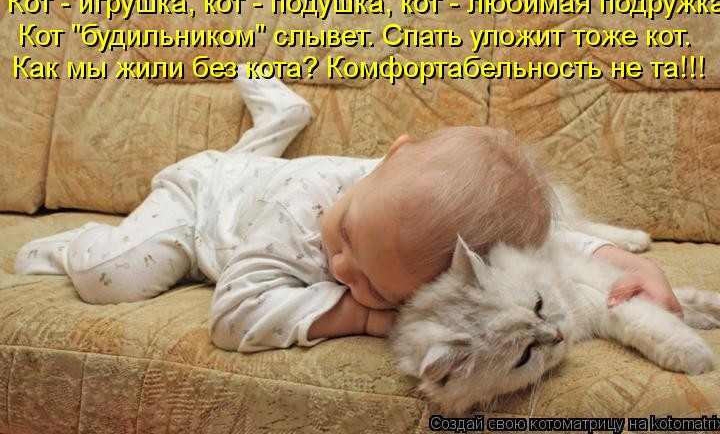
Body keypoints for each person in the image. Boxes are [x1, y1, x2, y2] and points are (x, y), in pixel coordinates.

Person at [15, 70, 680, 352]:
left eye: (371, 284)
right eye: (346, 235)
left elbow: (541, 241)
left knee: (267, 186)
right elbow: (231, 316)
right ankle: (70, 245)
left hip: (252, 180)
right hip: (202, 201)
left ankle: (273, 126)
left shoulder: (399, 203)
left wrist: (627, 266)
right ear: (389, 156)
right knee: (117, 278)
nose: (338, 266)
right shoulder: (302, 215)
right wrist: (361, 313)